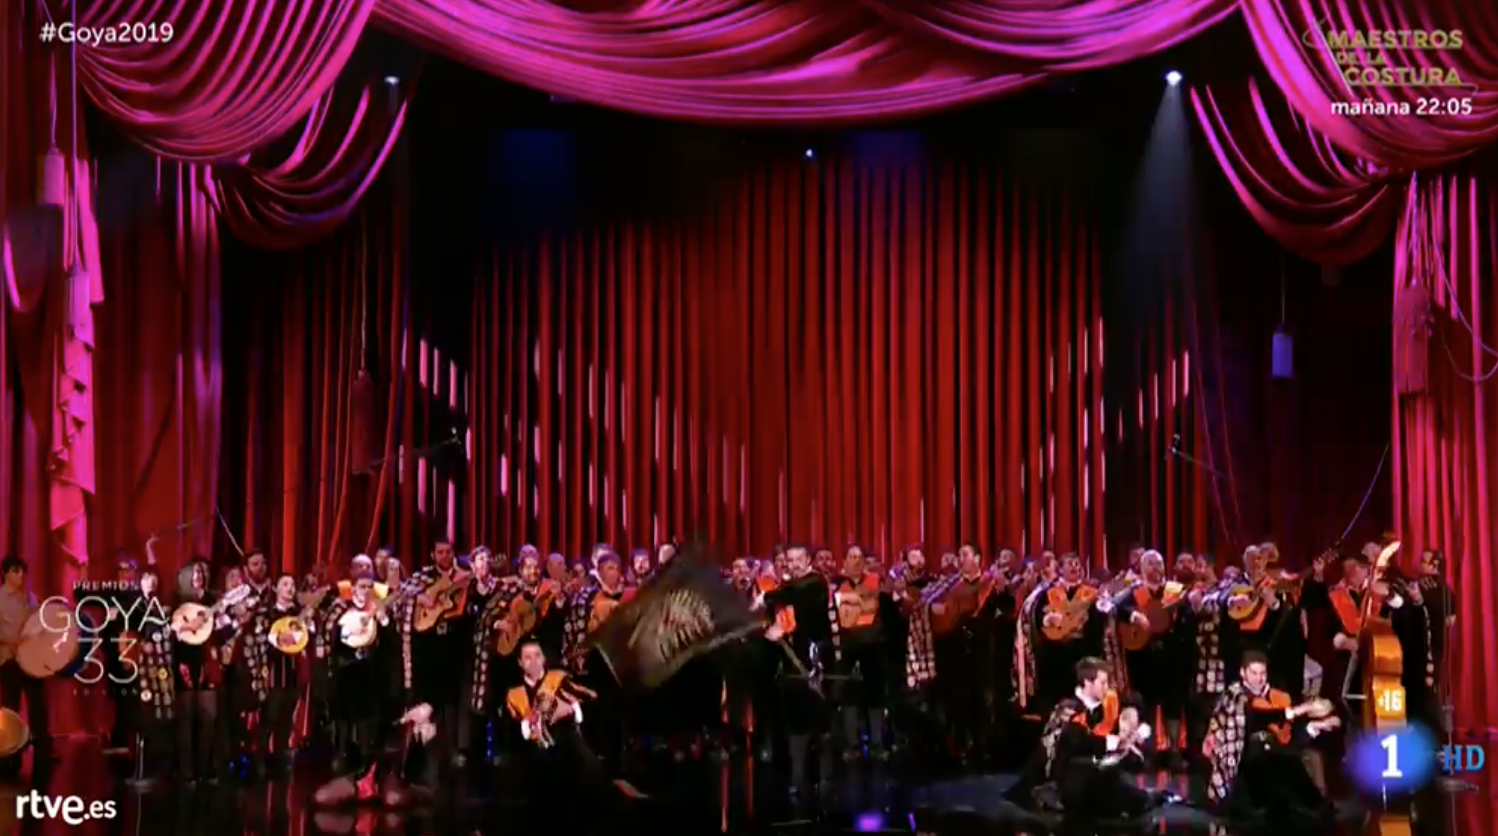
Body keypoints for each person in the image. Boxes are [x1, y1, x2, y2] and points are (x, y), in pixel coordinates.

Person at [505, 640, 639, 829]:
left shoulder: (559, 679)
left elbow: (588, 700)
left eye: (537, 655)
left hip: (566, 751)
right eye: (527, 657)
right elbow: (512, 732)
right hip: (534, 760)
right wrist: (529, 723)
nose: (533, 661)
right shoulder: (513, 695)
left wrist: (569, 709)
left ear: (544, 659)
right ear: (520, 663)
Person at [1204, 650, 1340, 827]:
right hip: (1238, 768)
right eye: (1253, 673)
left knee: (1286, 759)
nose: (1258, 678)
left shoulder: (1277, 697)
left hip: (1267, 760)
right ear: (1243, 673)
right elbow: (1254, 717)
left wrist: (1316, 726)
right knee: (1271, 758)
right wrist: (1298, 710)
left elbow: (1286, 735)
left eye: (1262, 673)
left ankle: (1315, 808)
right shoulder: (1234, 696)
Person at [1012, 657, 1155, 820]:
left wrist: (1139, 725)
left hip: (1097, 772)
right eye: (1102, 683)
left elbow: (1133, 700)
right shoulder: (1069, 709)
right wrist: (1115, 742)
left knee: (1130, 793)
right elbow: (1079, 741)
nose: (1107, 687)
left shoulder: (1108, 700)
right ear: (1087, 682)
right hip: (1069, 776)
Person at [0, 556, 50, 777]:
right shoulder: (0, 599)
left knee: (38, 706)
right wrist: (11, 643)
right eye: (15, 571)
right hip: (9, 659)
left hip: (31, 660)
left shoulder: (30, 597)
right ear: (5, 573)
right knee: (10, 708)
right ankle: (10, 754)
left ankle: (43, 754)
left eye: (22, 571)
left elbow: (40, 623)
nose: (20, 575)